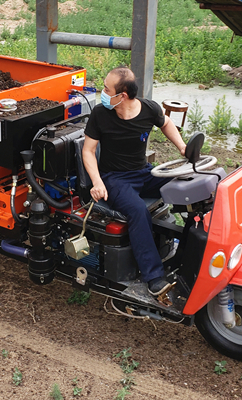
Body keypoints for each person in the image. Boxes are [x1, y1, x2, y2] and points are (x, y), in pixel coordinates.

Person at [82, 67, 186, 298]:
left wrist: (182, 146)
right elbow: (89, 151)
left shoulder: (149, 108)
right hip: (114, 178)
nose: (103, 92)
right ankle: (153, 277)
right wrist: (97, 182)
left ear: (123, 95)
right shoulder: (100, 114)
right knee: (138, 211)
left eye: (107, 89)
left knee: (183, 184)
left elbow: (166, 123)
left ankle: (196, 245)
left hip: (143, 172)